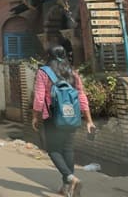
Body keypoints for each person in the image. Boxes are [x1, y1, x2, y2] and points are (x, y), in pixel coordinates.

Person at [32, 45, 95, 197]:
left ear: (48, 56)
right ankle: (67, 187)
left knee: (53, 150)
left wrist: (35, 116)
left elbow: (39, 98)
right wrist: (89, 120)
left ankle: (71, 178)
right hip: (72, 117)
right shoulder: (72, 72)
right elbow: (81, 96)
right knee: (68, 149)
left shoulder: (43, 72)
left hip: (52, 118)